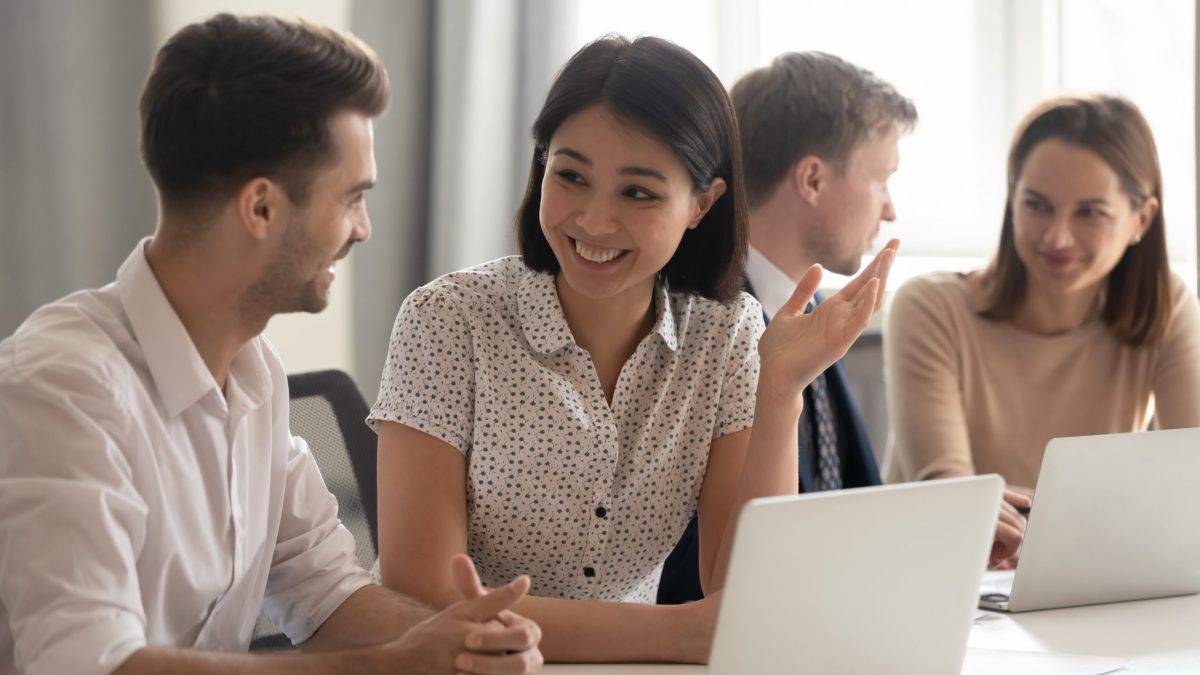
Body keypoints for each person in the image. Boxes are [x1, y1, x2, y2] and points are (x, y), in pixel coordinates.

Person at [0, 14, 542, 675]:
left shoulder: (254, 372)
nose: (363, 229)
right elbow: (93, 666)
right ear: (261, 208)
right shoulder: (65, 386)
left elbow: (325, 592)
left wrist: (460, 636)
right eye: (352, 198)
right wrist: (392, 663)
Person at [370, 35, 896, 664]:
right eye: (571, 176)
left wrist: (779, 391)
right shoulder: (448, 320)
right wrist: (686, 634)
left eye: (638, 193)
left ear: (702, 204)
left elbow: (743, 598)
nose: (593, 220)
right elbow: (425, 595)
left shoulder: (728, 334)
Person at [659, 51, 1028, 601]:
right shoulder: (700, 322)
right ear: (811, 179)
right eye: (882, 180)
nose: (890, 210)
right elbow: (700, 565)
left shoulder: (804, 309)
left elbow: (840, 501)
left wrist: (942, 521)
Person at [886, 94, 1200, 494]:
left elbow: (1192, 486)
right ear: (1013, 202)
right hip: (952, 553)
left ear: (1142, 219)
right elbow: (950, 497)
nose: (1057, 237)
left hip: (1090, 555)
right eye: (1037, 205)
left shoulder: (1166, 308)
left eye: (1090, 213)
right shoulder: (931, 308)